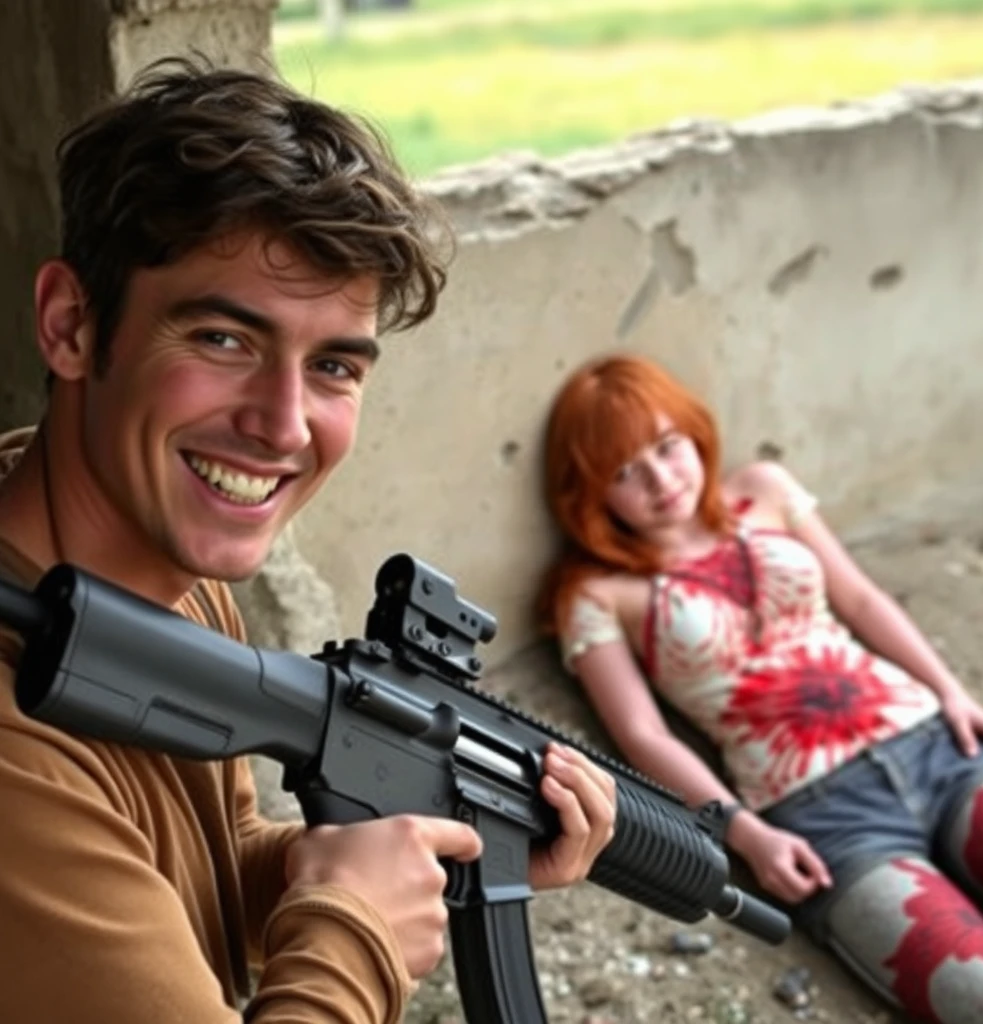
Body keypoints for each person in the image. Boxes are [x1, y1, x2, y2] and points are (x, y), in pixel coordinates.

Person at [0, 58, 616, 1024]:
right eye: (223, 340)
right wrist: (354, 936)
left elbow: (193, 865)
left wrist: (416, 850)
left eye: (332, 365)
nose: (284, 426)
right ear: (72, 325)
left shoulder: (153, 562)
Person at [539, 352, 983, 1023]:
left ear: (695, 433)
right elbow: (641, 735)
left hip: (936, 746)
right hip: (825, 818)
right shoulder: (596, 593)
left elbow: (859, 598)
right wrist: (747, 834)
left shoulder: (763, 490)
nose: (659, 478)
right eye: (624, 472)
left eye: (668, 446)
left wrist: (953, 695)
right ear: (588, 494)